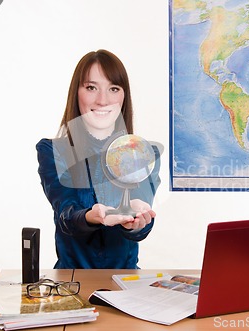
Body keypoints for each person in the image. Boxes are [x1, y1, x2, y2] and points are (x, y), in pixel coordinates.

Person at [36, 49, 161, 269]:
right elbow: (67, 214)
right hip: (72, 282)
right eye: (91, 87)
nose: (103, 100)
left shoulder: (144, 153)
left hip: (126, 284)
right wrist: (93, 216)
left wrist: (136, 221)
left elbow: (141, 225)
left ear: (124, 96)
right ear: (77, 92)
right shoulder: (53, 151)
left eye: (113, 88)